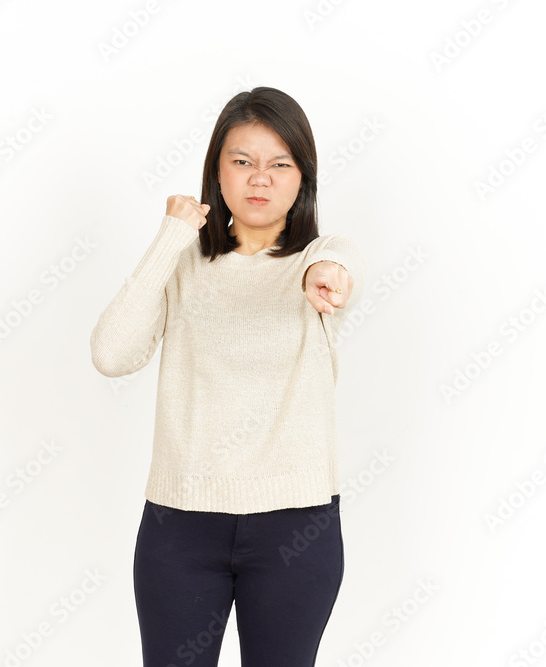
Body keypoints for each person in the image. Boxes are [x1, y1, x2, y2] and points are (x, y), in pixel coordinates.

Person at [90, 86, 366, 667]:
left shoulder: (321, 259)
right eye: (242, 162)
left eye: (279, 164)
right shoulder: (181, 260)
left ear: (302, 177)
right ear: (216, 171)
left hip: (295, 525)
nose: (259, 179)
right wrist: (172, 236)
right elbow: (112, 354)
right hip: (180, 524)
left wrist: (326, 273)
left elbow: (337, 267)